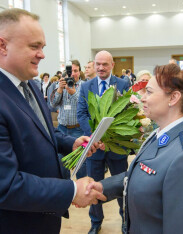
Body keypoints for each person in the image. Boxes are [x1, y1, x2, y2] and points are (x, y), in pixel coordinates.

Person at [0, 9, 105, 234]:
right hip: (3, 224)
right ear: (2, 45)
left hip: (36, 217)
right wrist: (71, 190)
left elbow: (38, 130)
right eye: (34, 46)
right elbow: (3, 186)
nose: (42, 55)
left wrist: (70, 143)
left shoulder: (26, 84)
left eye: (43, 47)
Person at [86, 64, 183, 233]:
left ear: (173, 97)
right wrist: (102, 188)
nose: (143, 98)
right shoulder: (160, 133)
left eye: (149, 92)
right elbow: (142, 175)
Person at [77, 50, 129, 234]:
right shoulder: (86, 86)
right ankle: (96, 221)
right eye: (98, 64)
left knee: (123, 187)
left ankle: (126, 221)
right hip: (94, 148)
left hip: (117, 148)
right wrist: (95, 137)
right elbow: (82, 114)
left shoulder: (123, 84)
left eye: (105, 64)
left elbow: (128, 114)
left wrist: (113, 138)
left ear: (112, 65)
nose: (100, 67)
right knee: (93, 186)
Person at [50, 59, 86, 179]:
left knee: (81, 162)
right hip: (62, 129)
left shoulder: (84, 86)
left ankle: (82, 187)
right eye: (70, 71)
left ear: (80, 72)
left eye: (75, 71)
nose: (73, 74)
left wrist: (74, 92)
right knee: (61, 161)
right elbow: (53, 105)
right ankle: (66, 188)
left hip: (78, 130)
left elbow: (85, 104)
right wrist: (60, 89)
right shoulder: (60, 84)